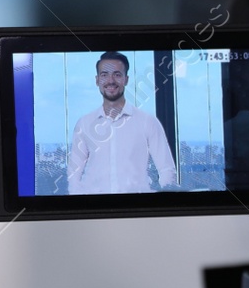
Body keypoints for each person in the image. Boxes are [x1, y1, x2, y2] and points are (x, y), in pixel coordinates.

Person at [66, 52, 177, 194]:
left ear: (126, 79)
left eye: (117, 75)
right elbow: (74, 174)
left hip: (137, 209)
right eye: (104, 75)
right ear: (97, 80)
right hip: (95, 209)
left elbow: (166, 169)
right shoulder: (84, 123)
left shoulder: (147, 122)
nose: (110, 81)